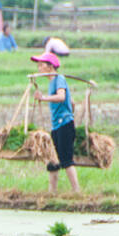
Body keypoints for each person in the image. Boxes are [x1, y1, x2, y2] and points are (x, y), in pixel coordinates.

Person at [30, 53, 79, 193]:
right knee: (52, 159)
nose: (39, 68)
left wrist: (44, 98)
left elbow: (62, 97)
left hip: (64, 124)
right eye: (38, 65)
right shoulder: (53, 82)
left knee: (66, 159)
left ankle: (76, 191)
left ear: (50, 67)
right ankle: (52, 192)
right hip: (57, 125)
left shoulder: (59, 79)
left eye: (41, 65)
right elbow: (72, 102)